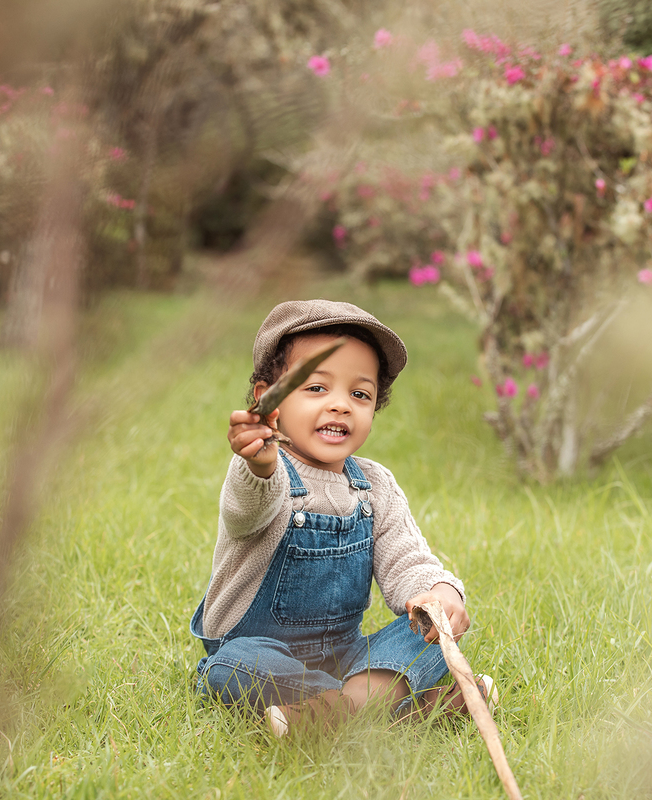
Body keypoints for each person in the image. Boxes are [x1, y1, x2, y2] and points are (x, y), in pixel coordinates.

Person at [189, 299, 496, 736]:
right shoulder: (265, 472)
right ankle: (396, 709)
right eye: (316, 388)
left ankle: (335, 713)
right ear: (267, 400)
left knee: (428, 637)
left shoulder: (375, 484)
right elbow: (246, 509)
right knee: (231, 667)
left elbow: (405, 561)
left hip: (345, 655)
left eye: (359, 393)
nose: (341, 406)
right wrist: (258, 465)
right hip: (262, 651)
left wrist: (439, 593)